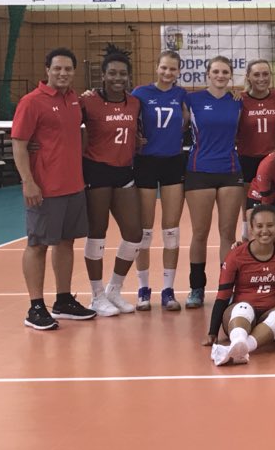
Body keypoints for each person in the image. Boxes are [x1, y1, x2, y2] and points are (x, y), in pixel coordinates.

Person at [11, 47, 96, 329]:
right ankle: (35, 307)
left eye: (68, 69)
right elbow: (19, 144)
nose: (62, 73)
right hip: (45, 188)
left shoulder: (73, 99)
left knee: (66, 242)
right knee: (37, 245)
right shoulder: (31, 102)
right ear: (47, 70)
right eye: (57, 68)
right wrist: (28, 181)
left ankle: (63, 300)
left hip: (74, 185)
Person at [79, 45, 143, 317]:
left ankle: (114, 289)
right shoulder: (88, 102)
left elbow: (135, 134)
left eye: (122, 74)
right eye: (112, 73)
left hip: (124, 171)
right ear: (103, 75)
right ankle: (96, 296)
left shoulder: (134, 102)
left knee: (135, 233)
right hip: (96, 170)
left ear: (129, 77)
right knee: (98, 233)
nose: (118, 78)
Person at [183, 55, 245, 309]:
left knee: (227, 234)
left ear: (230, 75)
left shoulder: (238, 102)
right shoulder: (191, 100)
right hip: (199, 170)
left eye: (225, 72)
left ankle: (225, 288)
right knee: (200, 233)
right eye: (216, 71)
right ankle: (196, 288)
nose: (220, 76)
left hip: (229, 169)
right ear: (208, 74)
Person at [203, 205, 275, 366]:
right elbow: (223, 296)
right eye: (259, 226)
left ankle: (240, 348)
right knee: (244, 307)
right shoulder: (236, 255)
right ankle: (238, 340)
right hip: (239, 316)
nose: (265, 230)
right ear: (251, 229)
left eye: (270, 225)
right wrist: (212, 332)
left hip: (269, 317)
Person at [132, 50, 189, 311]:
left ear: (179, 72)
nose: (168, 73)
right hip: (145, 162)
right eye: (164, 68)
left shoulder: (181, 95)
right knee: (144, 231)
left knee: (171, 231)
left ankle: (168, 290)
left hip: (173, 162)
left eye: (173, 69)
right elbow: (125, 115)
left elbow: (190, 118)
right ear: (157, 67)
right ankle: (143, 289)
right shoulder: (140, 93)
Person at [236, 59, 275, 239]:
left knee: (272, 204)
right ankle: (246, 236)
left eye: (265, 74)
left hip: (272, 160)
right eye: (256, 74)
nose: (261, 78)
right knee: (249, 208)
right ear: (248, 77)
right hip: (248, 159)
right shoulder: (240, 100)